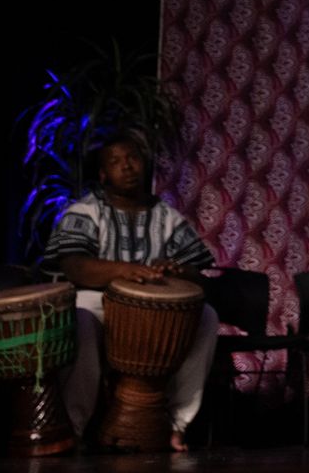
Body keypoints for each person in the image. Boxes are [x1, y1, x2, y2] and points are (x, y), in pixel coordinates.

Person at [42, 132, 217, 452]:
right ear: (103, 174)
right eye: (116, 161)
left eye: (133, 159)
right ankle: (75, 425)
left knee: (205, 317)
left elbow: (198, 272)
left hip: (154, 312)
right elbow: (74, 267)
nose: (127, 166)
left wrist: (179, 271)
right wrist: (122, 271)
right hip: (99, 300)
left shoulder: (167, 217)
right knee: (79, 314)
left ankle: (177, 424)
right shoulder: (84, 212)